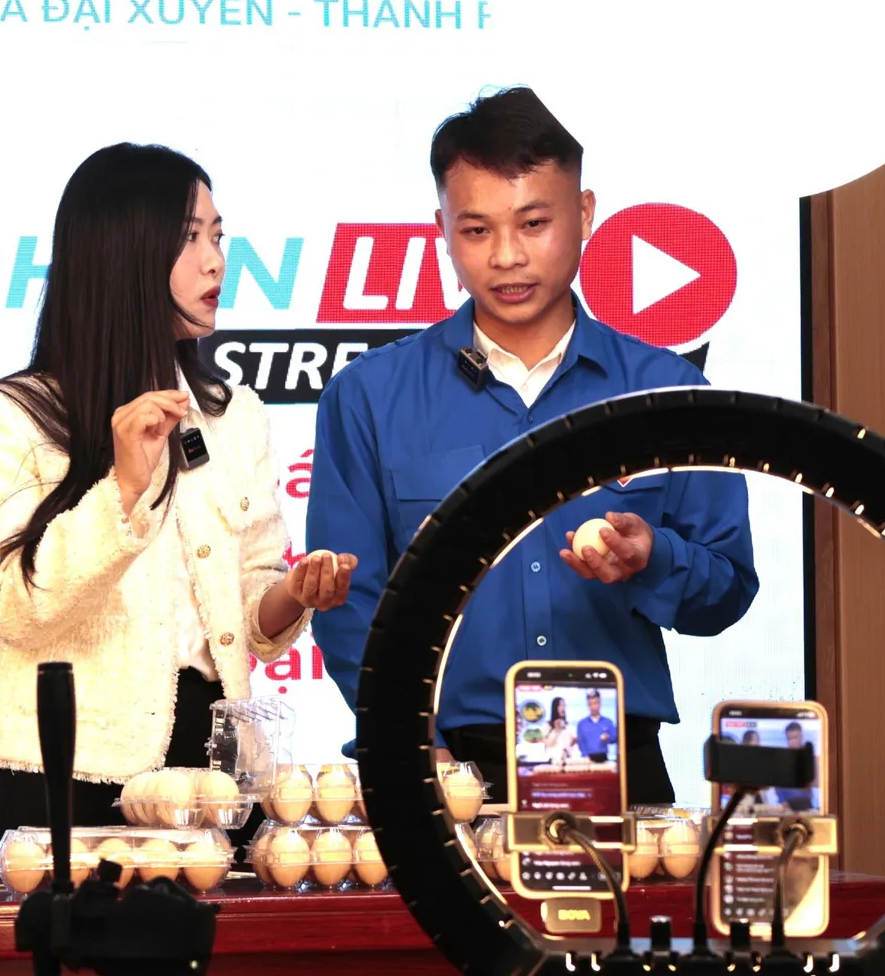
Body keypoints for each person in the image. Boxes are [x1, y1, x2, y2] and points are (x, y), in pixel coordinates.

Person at [307, 87, 759, 806]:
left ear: (584, 213)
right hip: (444, 768)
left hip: (620, 765)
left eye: (534, 223)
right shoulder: (367, 396)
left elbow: (726, 591)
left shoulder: (669, 393)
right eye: (476, 230)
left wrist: (653, 558)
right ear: (442, 231)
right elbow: (348, 603)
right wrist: (412, 738)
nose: (507, 256)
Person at [0, 143, 356, 856]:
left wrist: (292, 593)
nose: (215, 261)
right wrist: (123, 486)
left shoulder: (234, 414)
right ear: (124, 254)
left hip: (219, 773)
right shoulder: (8, 417)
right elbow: (13, 605)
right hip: (70, 772)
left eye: (218, 236)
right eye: (190, 238)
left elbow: (253, 614)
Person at [776, 723, 816, 811]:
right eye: (789, 738)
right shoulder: (781, 760)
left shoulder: (808, 757)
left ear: (801, 737)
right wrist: (784, 803)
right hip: (787, 806)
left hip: (806, 804)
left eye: (795, 738)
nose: (792, 742)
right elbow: (778, 787)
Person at [574, 689, 618, 765]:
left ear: (600, 704)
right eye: (590, 704)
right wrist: (585, 756)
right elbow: (581, 743)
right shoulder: (581, 724)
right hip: (587, 760)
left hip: (603, 758)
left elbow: (614, 738)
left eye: (595, 703)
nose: (593, 707)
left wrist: (608, 738)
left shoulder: (608, 722)